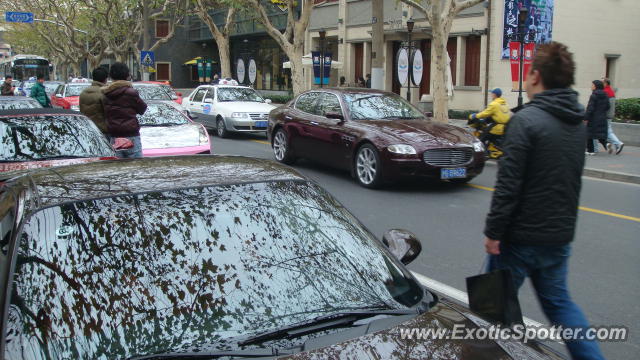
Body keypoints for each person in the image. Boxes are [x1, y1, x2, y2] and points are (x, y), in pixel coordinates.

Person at [483, 42, 605, 360]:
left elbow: (508, 186)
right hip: (558, 237)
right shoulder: (576, 124)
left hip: (519, 239)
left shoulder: (525, 121)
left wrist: (494, 233)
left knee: (492, 310)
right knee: (559, 304)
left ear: (535, 76)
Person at [102, 62, 147, 158]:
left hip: (114, 136)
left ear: (111, 76)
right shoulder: (131, 92)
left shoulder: (106, 93)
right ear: (127, 76)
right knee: (135, 167)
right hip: (131, 135)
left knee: (117, 168)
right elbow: (142, 109)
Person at [79, 67, 109, 136]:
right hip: (102, 130)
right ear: (105, 79)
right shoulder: (104, 92)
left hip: (88, 129)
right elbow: (107, 113)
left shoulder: (83, 92)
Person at [585, 80, 609, 155]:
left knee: (589, 133)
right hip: (602, 117)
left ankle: (590, 150)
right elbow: (608, 106)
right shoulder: (605, 95)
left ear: (595, 86)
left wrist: (585, 117)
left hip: (593, 118)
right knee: (599, 133)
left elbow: (590, 108)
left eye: (592, 85)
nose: (591, 86)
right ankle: (607, 144)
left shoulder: (594, 95)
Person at [603, 78, 624, 154]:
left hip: (606, 115)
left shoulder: (605, 92)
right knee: (607, 130)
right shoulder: (611, 91)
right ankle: (613, 144)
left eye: (602, 82)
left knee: (608, 131)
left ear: (606, 83)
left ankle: (618, 143)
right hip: (610, 114)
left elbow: (605, 105)